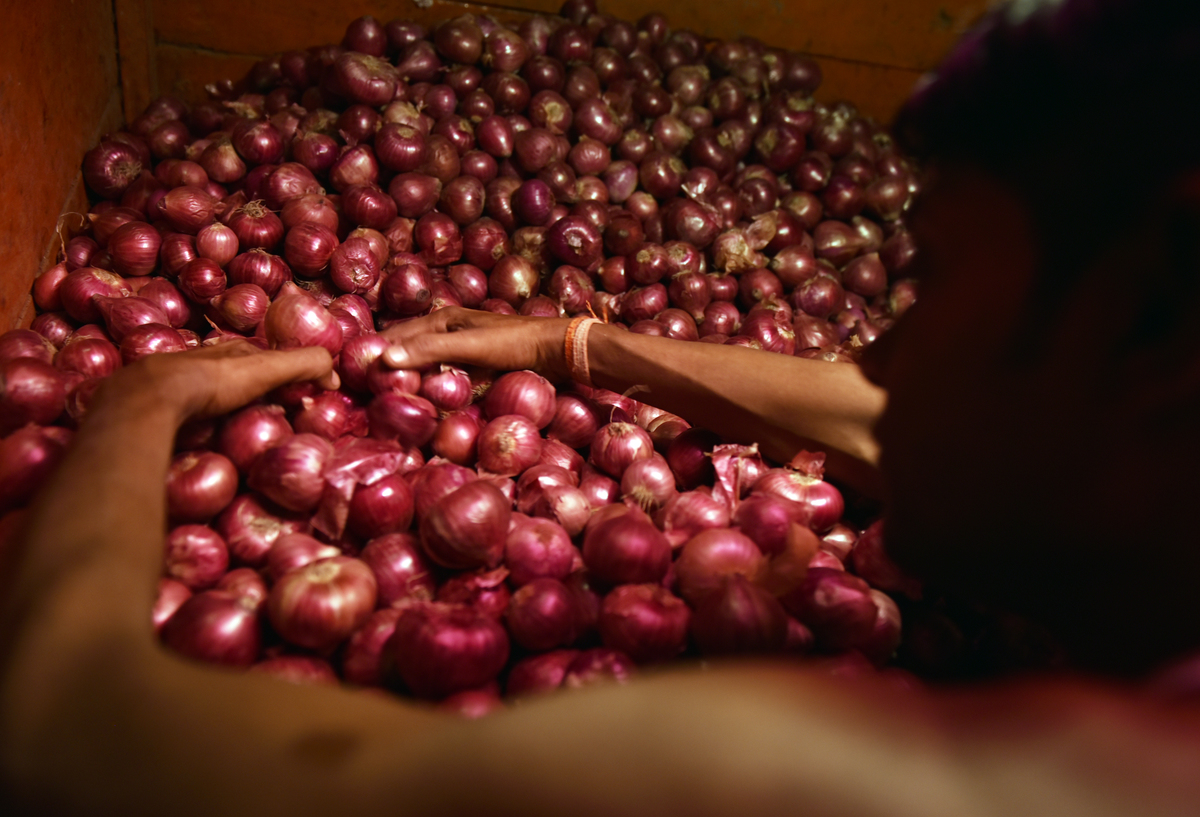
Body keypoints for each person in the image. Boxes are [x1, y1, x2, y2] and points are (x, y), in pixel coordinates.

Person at [5, 0, 1200, 813]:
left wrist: (144, 401)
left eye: (932, 281)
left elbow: (65, 724)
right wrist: (578, 343)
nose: (881, 351)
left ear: (1150, 335)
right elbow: (871, 420)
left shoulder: (881, 782)